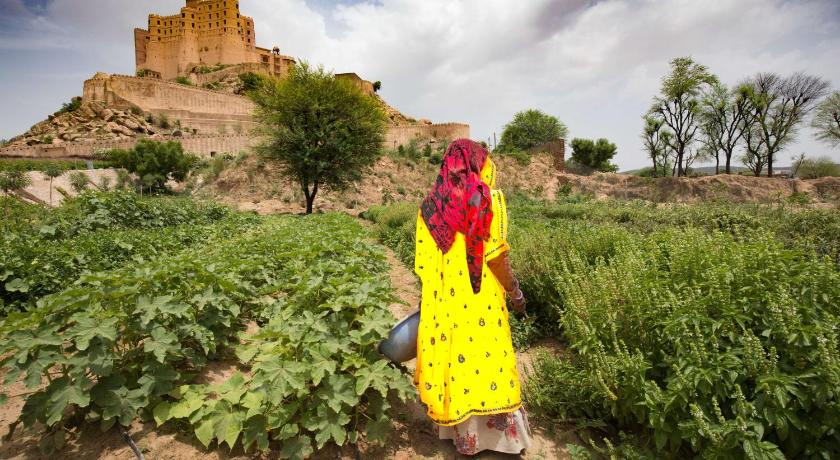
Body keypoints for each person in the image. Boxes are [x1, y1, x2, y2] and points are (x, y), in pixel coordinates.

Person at [413, 139, 530, 456]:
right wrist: (515, 292)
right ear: (478, 165)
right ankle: (498, 441)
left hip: (448, 307)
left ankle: (462, 437)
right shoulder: (486, 199)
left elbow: (424, 267)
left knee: (458, 363)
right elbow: (496, 258)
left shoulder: (429, 208)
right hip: (482, 303)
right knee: (488, 363)